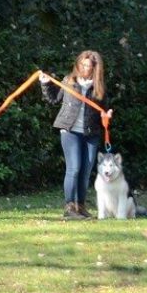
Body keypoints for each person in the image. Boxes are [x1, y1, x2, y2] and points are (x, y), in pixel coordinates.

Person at [40, 50, 112, 220]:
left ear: (95, 68)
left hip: (91, 133)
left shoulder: (99, 86)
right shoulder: (68, 81)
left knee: (86, 171)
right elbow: (53, 100)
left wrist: (107, 116)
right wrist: (45, 84)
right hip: (69, 130)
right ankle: (69, 207)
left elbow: (104, 109)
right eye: (83, 64)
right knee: (74, 168)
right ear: (78, 64)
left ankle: (80, 206)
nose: (85, 68)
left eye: (89, 66)